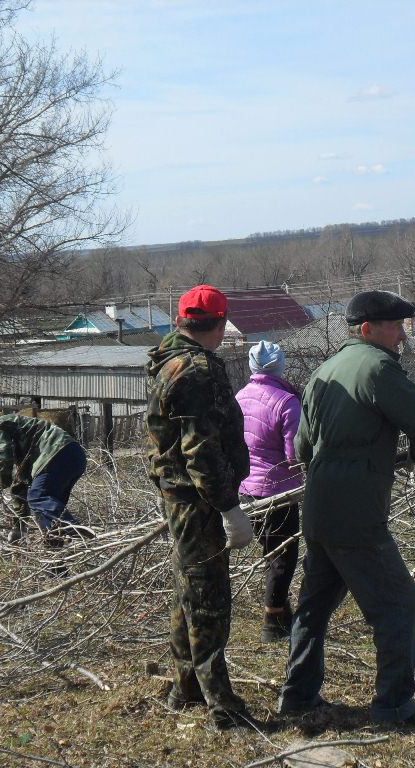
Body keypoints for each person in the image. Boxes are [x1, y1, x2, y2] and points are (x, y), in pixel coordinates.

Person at [277, 290, 415, 727]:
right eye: (397, 326)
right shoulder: (378, 366)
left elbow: (301, 447)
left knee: (314, 607)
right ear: (369, 330)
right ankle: (393, 706)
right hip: (355, 513)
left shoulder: (323, 371)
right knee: (399, 606)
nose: (402, 336)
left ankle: (297, 696)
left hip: (319, 506)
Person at [145, 284, 258, 732]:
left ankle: (184, 687)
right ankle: (221, 705)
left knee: (188, 593)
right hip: (198, 500)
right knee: (209, 600)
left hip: (182, 496)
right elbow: (200, 450)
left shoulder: (166, 361)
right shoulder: (194, 371)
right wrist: (229, 508)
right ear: (219, 322)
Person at [235, 340, 303, 643]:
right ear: (280, 366)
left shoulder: (239, 397)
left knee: (268, 551)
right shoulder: (287, 402)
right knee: (283, 556)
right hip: (279, 491)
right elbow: (294, 455)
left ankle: (279, 609)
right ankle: (273, 621)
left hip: (246, 488)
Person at [0, 412, 90, 545]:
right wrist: (18, 527)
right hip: (74, 456)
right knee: (46, 513)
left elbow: (2, 458)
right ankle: (56, 560)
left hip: (58, 452)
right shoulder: (8, 441)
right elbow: (19, 482)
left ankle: (79, 533)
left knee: (37, 497)